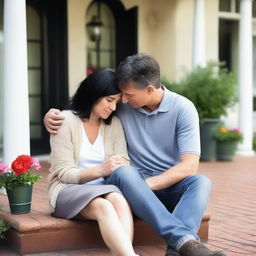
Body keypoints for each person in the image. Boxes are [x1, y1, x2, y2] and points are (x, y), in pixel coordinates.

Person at [45, 54, 226, 256]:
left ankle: (176, 249)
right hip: (129, 179)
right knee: (125, 172)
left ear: (149, 89)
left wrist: (146, 186)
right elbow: (90, 102)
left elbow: (190, 166)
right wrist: (51, 115)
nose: (122, 100)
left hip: (158, 185)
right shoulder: (123, 103)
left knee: (201, 182)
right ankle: (185, 241)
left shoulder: (183, 109)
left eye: (128, 95)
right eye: (120, 95)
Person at [48, 69, 140, 256]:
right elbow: (63, 172)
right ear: (94, 93)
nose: (113, 108)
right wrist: (101, 170)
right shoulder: (65, 121)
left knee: (119, 201)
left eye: (116, 102)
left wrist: (113, 168)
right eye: (109, 100)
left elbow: (124, 161)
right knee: (104, 206)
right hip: (67, 190)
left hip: (105, 189)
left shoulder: (113, 124)